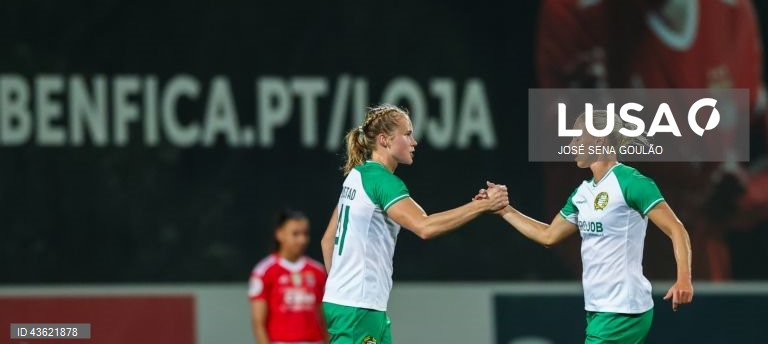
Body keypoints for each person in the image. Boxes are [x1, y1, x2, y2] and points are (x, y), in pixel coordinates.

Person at [536, 0, 768, 280]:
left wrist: (745, 195)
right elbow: (562, 156)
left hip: (698, 278)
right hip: (600, 280)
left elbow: (750, 121)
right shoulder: (578, 3)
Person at [478, 111, 693, 344]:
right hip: (597, 309)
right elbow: (548, 235)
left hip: (623, 310)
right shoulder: (583, 193)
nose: (571, 145)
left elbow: (676, 229)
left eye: (578, 139)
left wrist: (683, 279)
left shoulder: (631, 182)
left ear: (599, 140)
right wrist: (503, 210)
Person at [320, 104, 508, 344]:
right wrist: (482, 207)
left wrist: (340, 288)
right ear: (384, 140)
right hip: (359, 309)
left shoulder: (357, 176)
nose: (414, 141)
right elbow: (425, 227)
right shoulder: (384, 182)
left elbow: (328, 240)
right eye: (407, 134)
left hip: (354, 304)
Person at [248, 209, 328, 344]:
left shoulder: (318, 271)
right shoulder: (263, 271)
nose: (302, 240)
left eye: (305, 234)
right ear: (279, 234)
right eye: (295, 234)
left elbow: (325, 318)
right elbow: (258, 324)